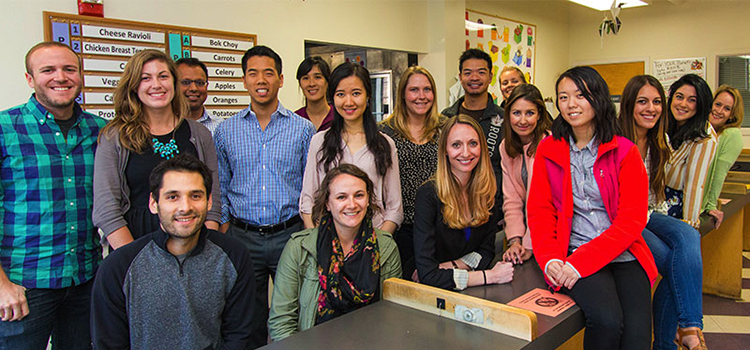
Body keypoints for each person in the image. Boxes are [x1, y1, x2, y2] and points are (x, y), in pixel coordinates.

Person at [528, 66, 657, 350]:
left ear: (597, 98)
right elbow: (540, 211)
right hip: (573, 251)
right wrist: (550, 258)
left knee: (636, 339)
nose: (571, 104)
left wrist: (581, 263)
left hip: (622, 254)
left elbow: (632, 219)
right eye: (563, 97)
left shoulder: (624, 150)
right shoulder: (549, 149)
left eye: (580, 95)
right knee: (607, 321)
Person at [0, 42, 107, 349]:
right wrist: (2, 286)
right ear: (30, 79)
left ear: (80, 75)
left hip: (85, 280)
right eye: (48, 70)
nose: (60, 77)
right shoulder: (5, 128)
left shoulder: (100, 131)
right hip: (22, 285)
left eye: (69, 69)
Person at [91, 155, 256, 350]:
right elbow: (109, 344)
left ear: (209, 201)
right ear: (154, 203)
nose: (185, 207)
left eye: (196, 196)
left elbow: (239, 336)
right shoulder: (118, 267)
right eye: (172, 197)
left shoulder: (234, 256)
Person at [214, 45, 315, 349]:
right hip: (242, 237)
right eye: (253, 73)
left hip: (290, 233)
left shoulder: (303, 130)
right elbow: (221, 183)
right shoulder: (225, 131)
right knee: (248, 316)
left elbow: (311, 185)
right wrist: (222, 230)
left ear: (281, 79)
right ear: (244, 80)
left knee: (294, 311)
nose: (261, 80)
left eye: (268, 73)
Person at [93, 49, 221, 250]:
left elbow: (213, 198)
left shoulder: (199, 134)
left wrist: (206, 249)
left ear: (174, 82)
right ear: (134, 86)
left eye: (163, 76)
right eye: (146, 78)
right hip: (135, 243)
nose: (156, 85)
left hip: (195, 244)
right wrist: (134, 260)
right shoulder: (114, 137)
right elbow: (106, 209)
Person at [618, 75, 708, 350]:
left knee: (689, 235)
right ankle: (670, 342)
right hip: (624, 219)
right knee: (672, 264)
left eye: (657, 102)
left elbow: (657, 193)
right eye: (643, 101)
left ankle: (689, 326)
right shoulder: (616, 140)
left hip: (650, 213)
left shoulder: (660, 141)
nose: (651, 108)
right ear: (630, 104)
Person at [268, 164, 401, 341]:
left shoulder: (386, 247)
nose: (352, 204)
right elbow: (281, 322)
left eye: (359, 195)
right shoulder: (299, 247)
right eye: (341, 197)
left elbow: (392, 316)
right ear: (327, 203)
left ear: (368, 200)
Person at [413, 115, 514, 290]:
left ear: (482, 147)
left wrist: (451, 266)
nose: (466, 152)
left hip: (469, 293)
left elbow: (486, 252)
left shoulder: (488, 190)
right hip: (430, 297)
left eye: (473, 143)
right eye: (456, 145)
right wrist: (488, 276)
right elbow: (428, 276)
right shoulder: (428, 194)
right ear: (445, 150)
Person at [300, 63, 403, 234]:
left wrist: (379, 242)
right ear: (332, 98)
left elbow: (395, 207)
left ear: (368, 96)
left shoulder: (384, 144)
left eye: (356, 93)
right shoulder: (319, 142)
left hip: (374, 239)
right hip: (328, 240)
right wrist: (318, 240)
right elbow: (307, 200)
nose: (349, 102)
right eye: (341, 94)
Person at [380, 66, 444, 277]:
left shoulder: (445, 128)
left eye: (427, 89)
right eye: (414, 90)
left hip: (440, 226)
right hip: (401, 228)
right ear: (403, 94)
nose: (421, 96)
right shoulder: (384, 132)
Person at [441, 49, 504, 221]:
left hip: (493, 213)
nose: (474, 78)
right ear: (460, 77)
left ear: (490, 77)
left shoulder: (504, 119)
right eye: (468, 73)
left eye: (481, 72)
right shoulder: (445, 118)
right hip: (452, 211)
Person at [499, 84, 552, 265]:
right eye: (516, 113)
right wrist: (515, 241)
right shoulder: (506, 147)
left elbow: (543, 203)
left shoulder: (550, 145)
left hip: (551, 236)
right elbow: (511, 199)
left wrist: (528, 244)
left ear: (539, 115)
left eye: (529, 113)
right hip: (526, 235)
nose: (522, 120)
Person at [664, 74, 717, 229]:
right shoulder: (665, 123)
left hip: (674, 202)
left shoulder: (704, 136)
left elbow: (694, 184)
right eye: (679, 97)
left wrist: (689, 224)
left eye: (692, 100)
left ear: (701, 104)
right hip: (652, 196)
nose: (683, 104)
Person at [702, 85, 744, 228]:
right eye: (718, 104)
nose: (719, 111)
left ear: (732, 115)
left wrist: (711, 205)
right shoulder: (704, 129)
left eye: (727, 109)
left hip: (699, 204)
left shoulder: (731, 135)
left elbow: (719, 172)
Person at [175, 57, 223, 135]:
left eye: (199, 83)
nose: (193, 88)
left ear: (207, 86)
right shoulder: (162, 126)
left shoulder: (220, 127)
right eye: (186, 82)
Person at [295, 56, 334, 131]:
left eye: (317, 77)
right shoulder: (295, 120)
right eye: (306, 78)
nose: (311, 83)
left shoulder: (339, 118)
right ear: (300, 83)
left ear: (327, 81)